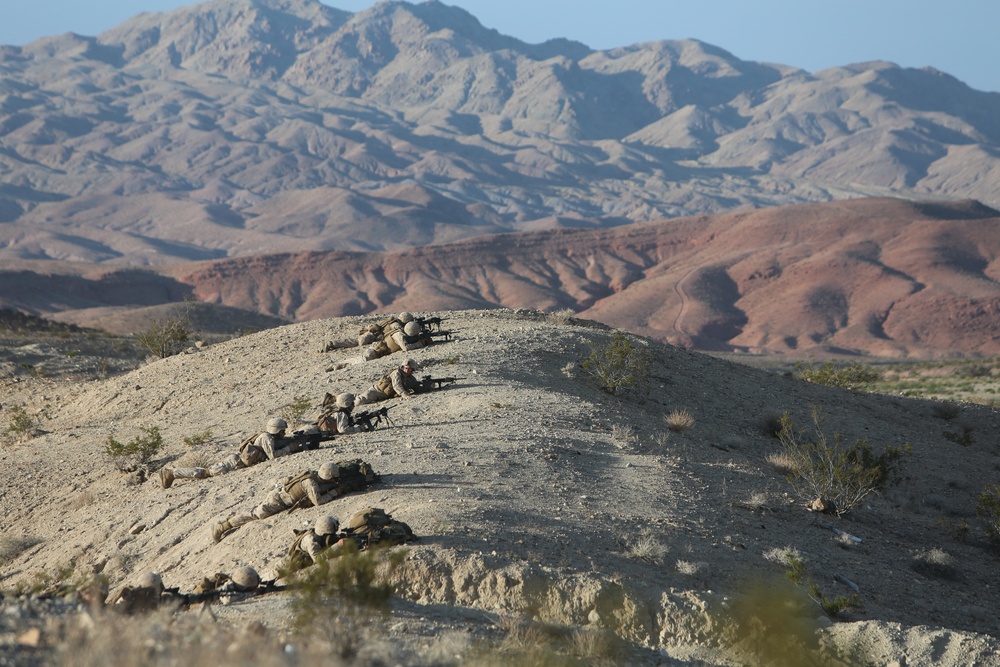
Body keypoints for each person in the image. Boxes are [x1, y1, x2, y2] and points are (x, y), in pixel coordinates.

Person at [212, 460, 380, 542]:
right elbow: (319, 502)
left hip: (284, 496)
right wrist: (336, 492)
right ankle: (224, 525)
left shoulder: (317, 475)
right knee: (257, 515)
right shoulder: (311, 482)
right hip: (279, 500)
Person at [160, 417, 291, 489]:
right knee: (205, 473)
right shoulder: (266, 438)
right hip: (234, 463)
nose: (284, 434)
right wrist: (289, 449)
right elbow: (273, 456)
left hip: (236, 461)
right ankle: (172, 473)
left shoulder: (267, 437)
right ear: (277, 430)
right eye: (282, 431)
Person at [322, 312, 413, 351]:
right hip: (371, 337)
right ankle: (331, 344)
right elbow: (402, 333)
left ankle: (332, 343)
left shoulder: (391, 320)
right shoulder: (395, 325)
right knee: (357, 342)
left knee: (353, 341)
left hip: (370, 334)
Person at [354, 359, 423, 405]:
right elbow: (397, 386)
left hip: (385, 396)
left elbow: (416, 386)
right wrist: (406, 396)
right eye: (406, 368)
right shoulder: (396, 373)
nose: (407, 371)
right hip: (376, 392)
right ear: (402, 367)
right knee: (358, 402)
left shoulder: (411, 378)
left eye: (409, 369)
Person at [361, 320, 428, 361]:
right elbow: (406, 348)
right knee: (358, 361)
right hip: (373, 352)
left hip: (378, 352)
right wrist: (420, 344)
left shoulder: (404, 334)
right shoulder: (399, 335)